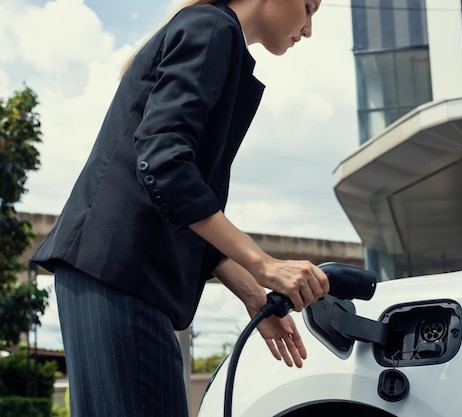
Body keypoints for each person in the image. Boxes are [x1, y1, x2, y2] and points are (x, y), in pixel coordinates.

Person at [31, 0, 328, 416]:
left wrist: (253, 296)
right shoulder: (212, 28)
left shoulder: (210, 32)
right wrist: (263, 263)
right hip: (122, 274)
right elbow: (165, 165)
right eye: (309, 7)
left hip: (112, 275)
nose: (309, 28)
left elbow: (180, 196)